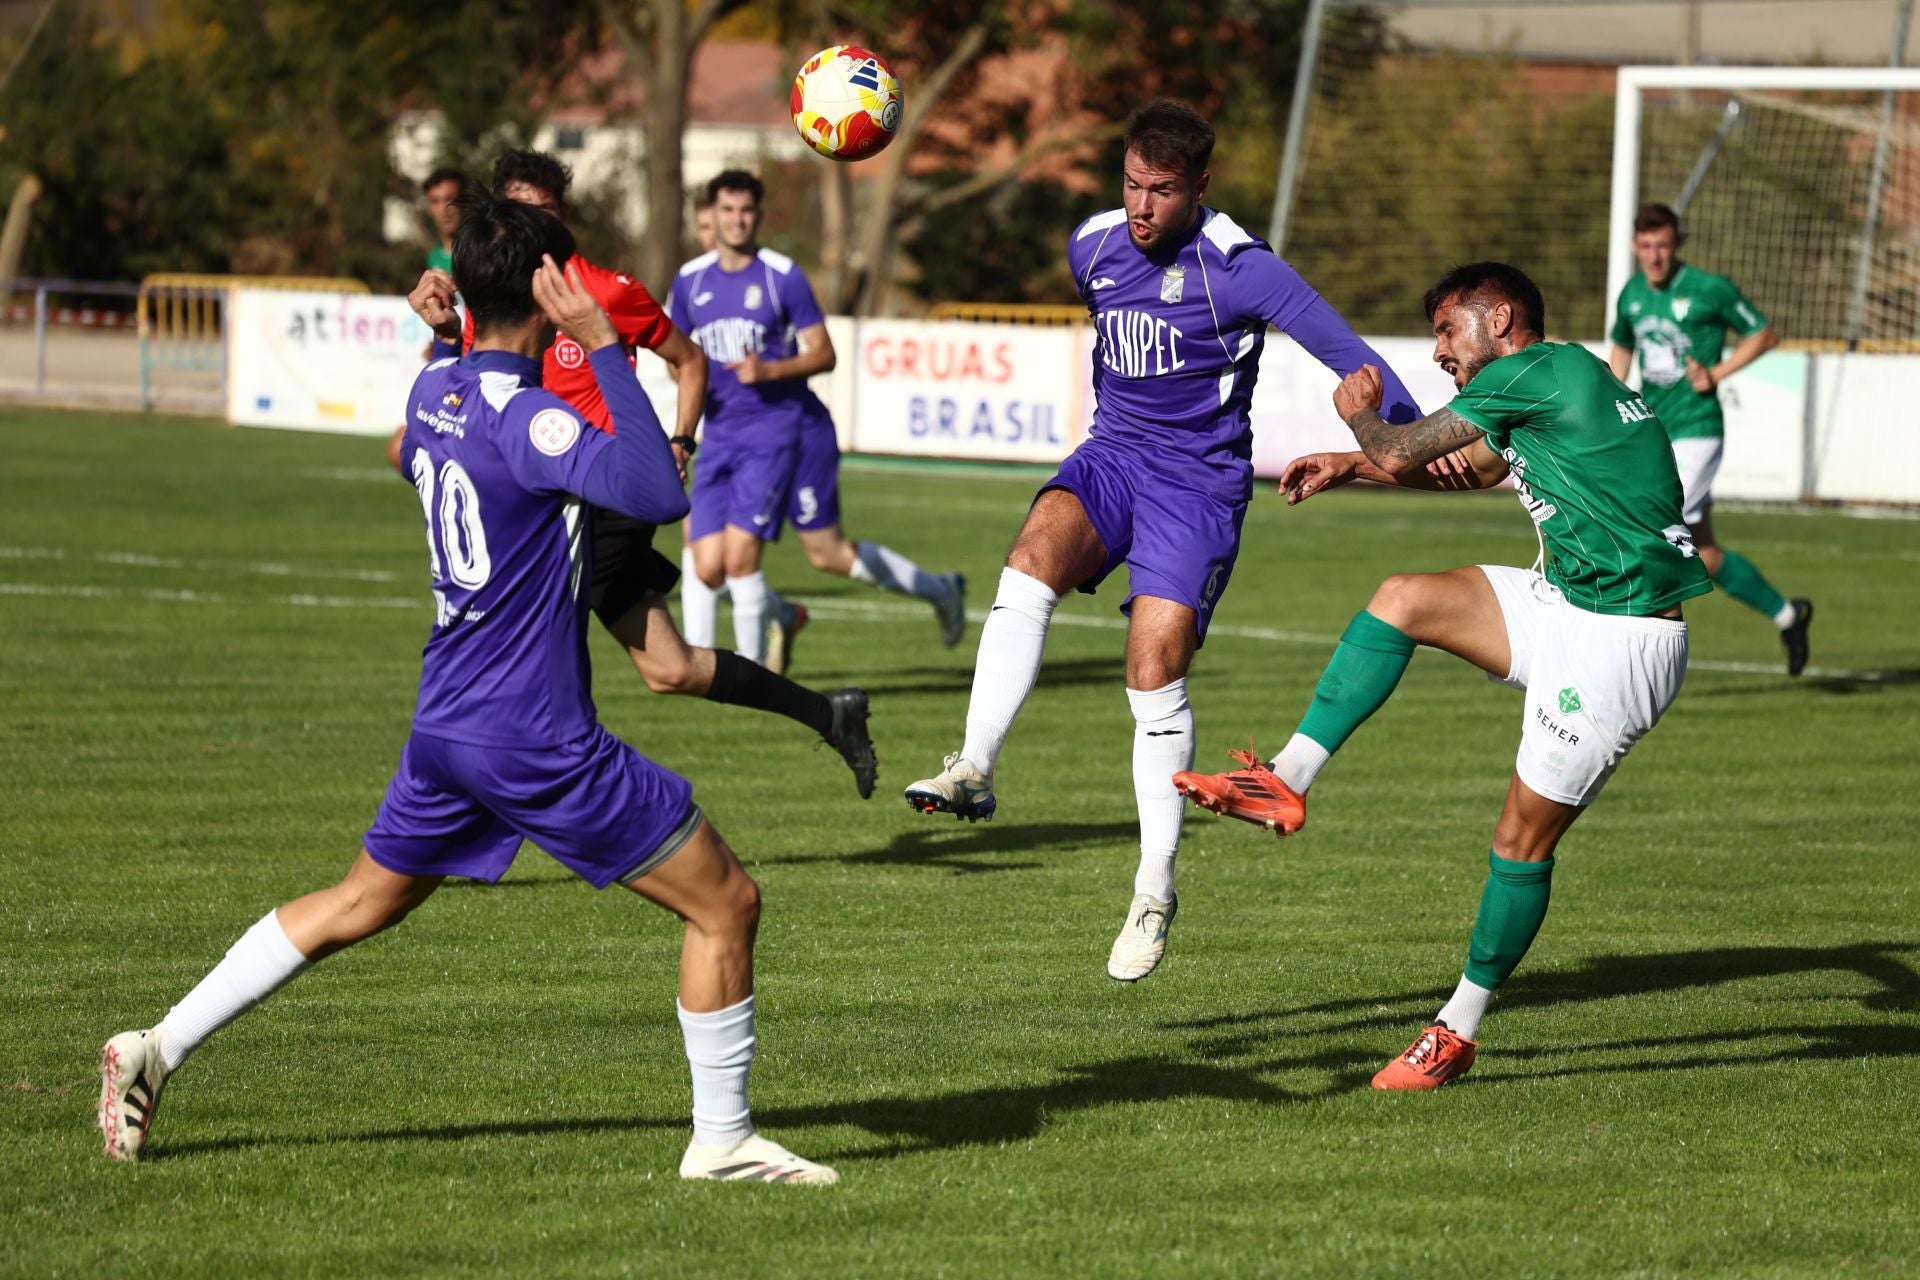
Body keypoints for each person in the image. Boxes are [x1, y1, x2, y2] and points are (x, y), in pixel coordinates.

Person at [98, 193, 837, 1183]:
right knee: (727, 903)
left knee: (361, 900)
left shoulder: (432, 392)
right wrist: (601, 346)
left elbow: (455, 409)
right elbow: (659, 492)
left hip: (446, 719)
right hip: (531, 735)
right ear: (547, 286)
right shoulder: (530, 417)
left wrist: (451, 334)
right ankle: (724, 1138)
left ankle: (160, 1041)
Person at [903, 100, 1422, 983]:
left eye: (1163, 191)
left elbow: (1363, 367)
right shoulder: (1093, 246)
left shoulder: (1242, 270)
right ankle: (975, 764)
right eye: (1133, 185)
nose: (1143, 207)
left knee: (1152, 664)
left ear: (1200, 188)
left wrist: (1395, 438)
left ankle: (1153, 889)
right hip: (1112, 457)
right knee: (1030, 558)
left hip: (1198, 485)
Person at [1175, 262, 1710, 1089]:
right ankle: (1284, 779)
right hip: (1568, 603)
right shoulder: (1554, 378)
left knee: (1519, 842)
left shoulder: (1533, 371)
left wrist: (1357, 419)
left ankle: (1456, 1029)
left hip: (1619, 644)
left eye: (1446, 332)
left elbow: (1398, 441)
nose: (1437, 353)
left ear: (1499, 320)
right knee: (1404, 599)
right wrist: (1352, 464)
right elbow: (1481, 470)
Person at [400, 151, 876, 797]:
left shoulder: (608, 293)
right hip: (541, 492)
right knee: (669, 670)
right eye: (511, 216)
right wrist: (450, 339)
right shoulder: (496, 297)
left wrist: (679, 440)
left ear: (561, 221)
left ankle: (549, 793)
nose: (523, 234)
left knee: (516, 656)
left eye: (536, 217)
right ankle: (829, 713)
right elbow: (453, 407)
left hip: (598, 498)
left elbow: (690, 360)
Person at [672, 169, 966, 673]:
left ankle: (939, 590)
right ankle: (773, 621)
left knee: (816, 554)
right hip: (726, 436)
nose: (731, 222)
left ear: (758, 217)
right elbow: (678, 355)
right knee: (716, 558)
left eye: (744, 211)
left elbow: (823, 353)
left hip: (793, 431)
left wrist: (768, 370)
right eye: (722, 213)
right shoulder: (691, 281)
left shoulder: (779, 276)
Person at [1609, 203, 1811, 674]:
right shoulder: (1632, 294)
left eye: (1662, 246)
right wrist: (1611, 401)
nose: (1654, 257)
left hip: (1699, 431)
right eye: (1645, 247)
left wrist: (1717, 372)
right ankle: (1788, 616)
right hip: (1654, 432)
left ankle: (1632, 646)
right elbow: (1622, 344)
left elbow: (1763, 333)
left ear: (1677, 243)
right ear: (1635, 247)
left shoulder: (1708, 289)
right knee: (1706, 552)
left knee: (1649, 523)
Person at [421, 168, 468, 362]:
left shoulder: (483, 253)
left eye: (451, 199)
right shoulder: (433, 259)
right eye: (435, 201)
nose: (444, 209)